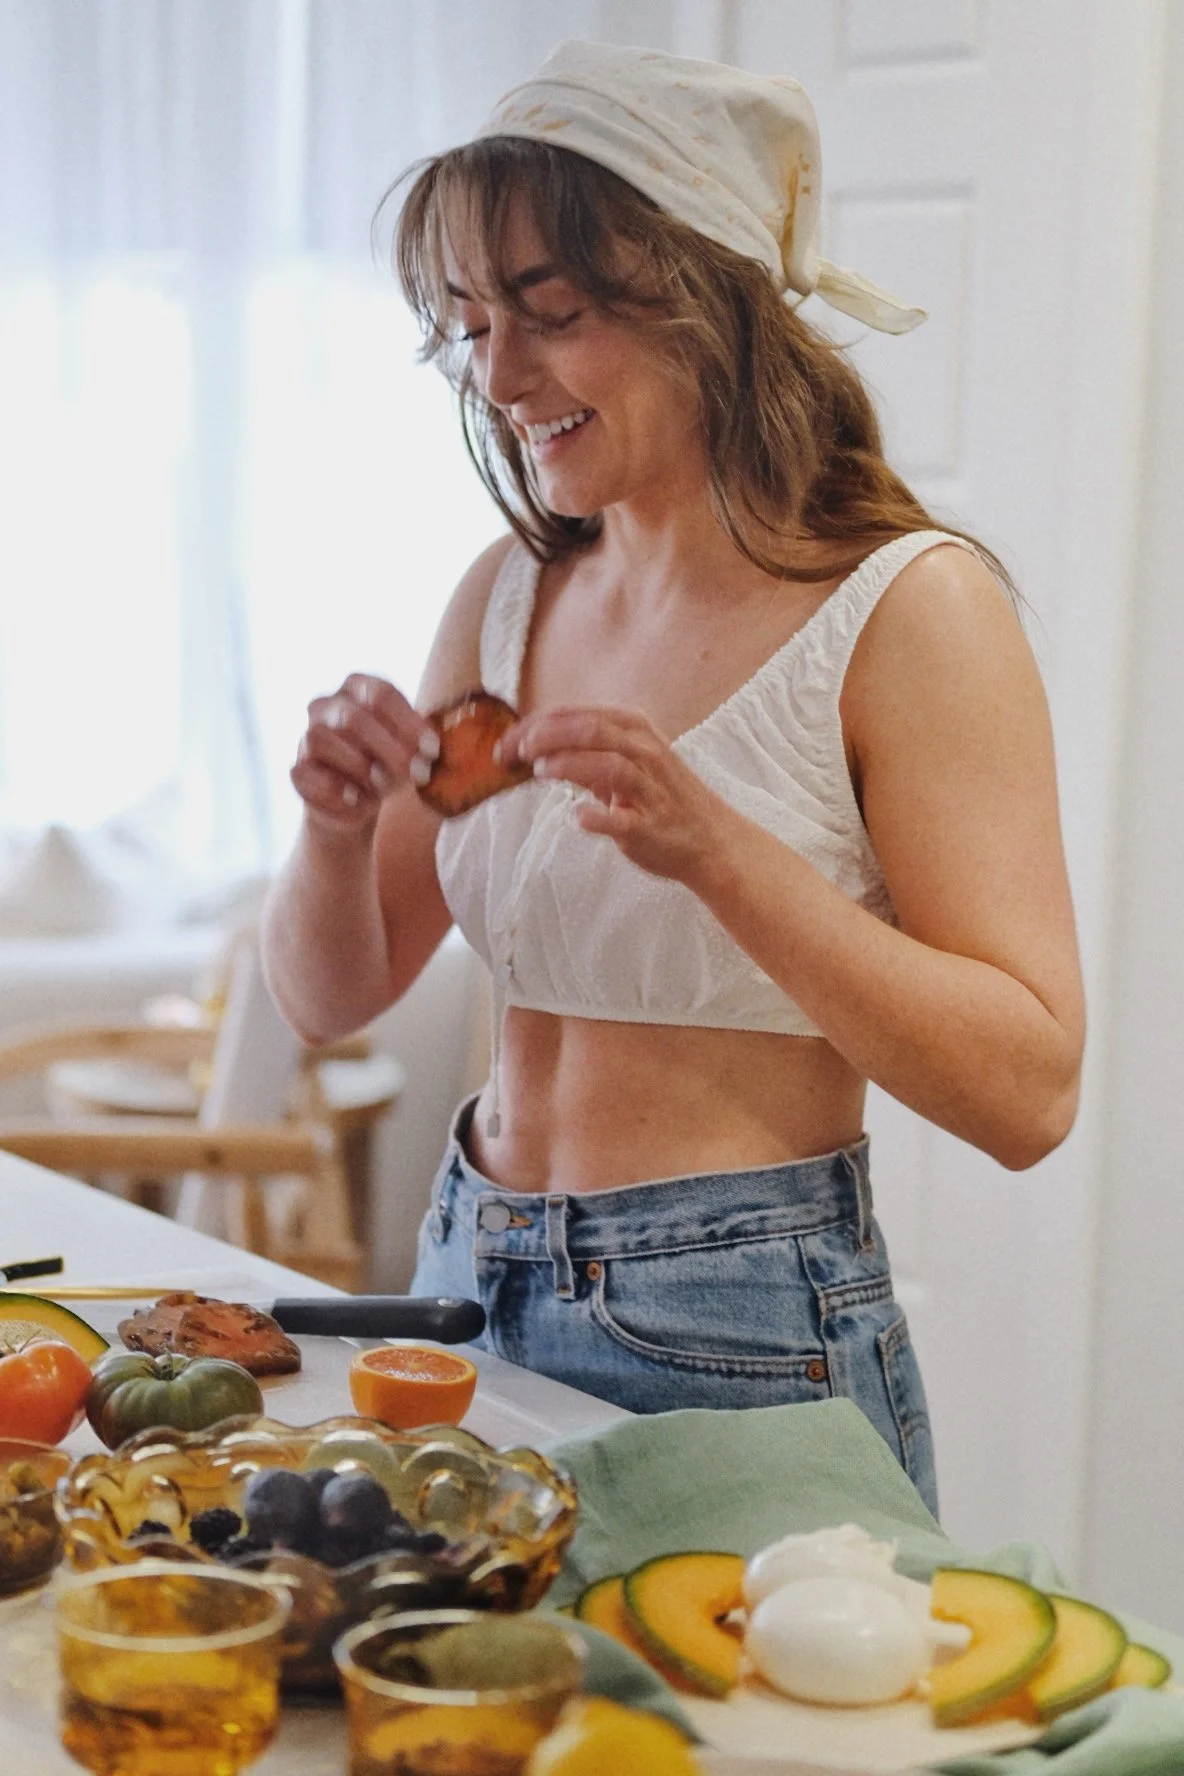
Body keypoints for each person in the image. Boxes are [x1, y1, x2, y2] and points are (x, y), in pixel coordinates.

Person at [261, 42, 1085, 1518]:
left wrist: (724, 853)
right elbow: (333, 994)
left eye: (550, 317)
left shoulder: (910, 610)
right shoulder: (508, 596)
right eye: (468, 326)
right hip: (462, 1282)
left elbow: (1030, 1088)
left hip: (742, 1330)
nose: (499, 377)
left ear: (706, 303)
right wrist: (331, 833)